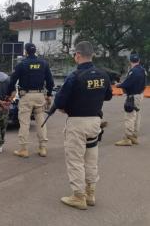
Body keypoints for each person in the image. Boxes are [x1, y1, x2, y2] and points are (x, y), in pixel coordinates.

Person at [54, 41, 112, 210]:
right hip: (95, 122)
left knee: (75, 160)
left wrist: (67, 106)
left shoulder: (74, 76)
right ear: (92, 55)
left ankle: (79, 196)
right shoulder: (103, 75)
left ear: (78, 55)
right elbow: (108, 96)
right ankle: (90, 193)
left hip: (77, 123)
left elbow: (59, 101)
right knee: (91, 159)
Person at [8, 43, 54, 158]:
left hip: (26, 96)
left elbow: (12, 80)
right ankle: (42, 148)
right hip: (39, 95)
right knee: (41, 122)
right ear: (35, 51)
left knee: (24, 123)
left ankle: (23, 149)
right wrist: (48, 94)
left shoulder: (21, 64)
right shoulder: (43, 63)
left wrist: (11, 92)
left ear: (26, 52)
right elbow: (50, 81)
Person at [115, 53, 147, 146]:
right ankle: (134, 136)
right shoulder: (143, 70)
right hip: (140, 95)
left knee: (129, 116)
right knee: (137, 115)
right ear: (139, 60)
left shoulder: (133, 71)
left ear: (130, 61)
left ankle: (127, 138)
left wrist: (119, 85)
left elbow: (128, 83)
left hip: (132, 96)